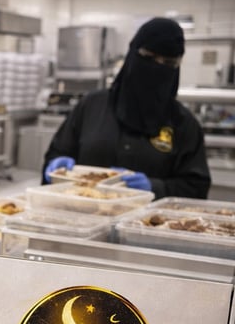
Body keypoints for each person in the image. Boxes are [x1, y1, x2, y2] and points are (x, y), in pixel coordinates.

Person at [43, 17, 211, 199]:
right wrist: (56, 165)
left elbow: (196, 186)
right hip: (81, 212)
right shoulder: (92, 105)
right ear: (132, 55)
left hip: (148, 216)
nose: (157, 68)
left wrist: (155, 188)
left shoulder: (183, 124)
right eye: (148, 57)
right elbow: (58, 152)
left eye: (168, 63)